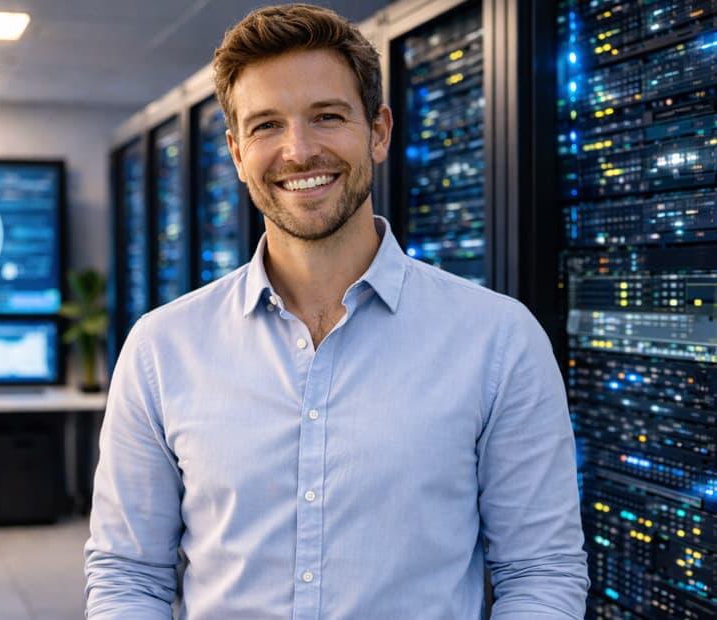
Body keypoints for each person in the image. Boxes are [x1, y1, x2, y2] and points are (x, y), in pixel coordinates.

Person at [85, 4, 589, 618]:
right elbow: (128, 575)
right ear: (238, 153)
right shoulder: (162, 348)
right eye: (266, 125)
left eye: (327, 116)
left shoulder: (499, 340)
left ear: (378, 131)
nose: (299, 151)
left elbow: (541, 571)